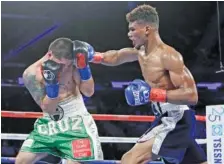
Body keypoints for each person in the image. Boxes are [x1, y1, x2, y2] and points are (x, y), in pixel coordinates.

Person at [89, 4, 207, 164]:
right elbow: (116, 56)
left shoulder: (169, 55)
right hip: (164, 117)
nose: (129, 34)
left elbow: (192, 95)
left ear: (147, 29)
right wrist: (92, 56)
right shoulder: (140, 53)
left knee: (130, 160)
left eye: (132, 29)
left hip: (176, 119)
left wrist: (152, 94)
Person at [15, 38, 103, 164]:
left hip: (77, 122)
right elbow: (48, 109)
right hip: (50, 123)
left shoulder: (73, 64)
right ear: (50, 55)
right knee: (21, 161)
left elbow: (89, 92)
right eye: (61, 65)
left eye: (67, 64)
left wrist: (84, 68)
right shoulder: (31, 74)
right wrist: (52, 87)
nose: (64, 68)